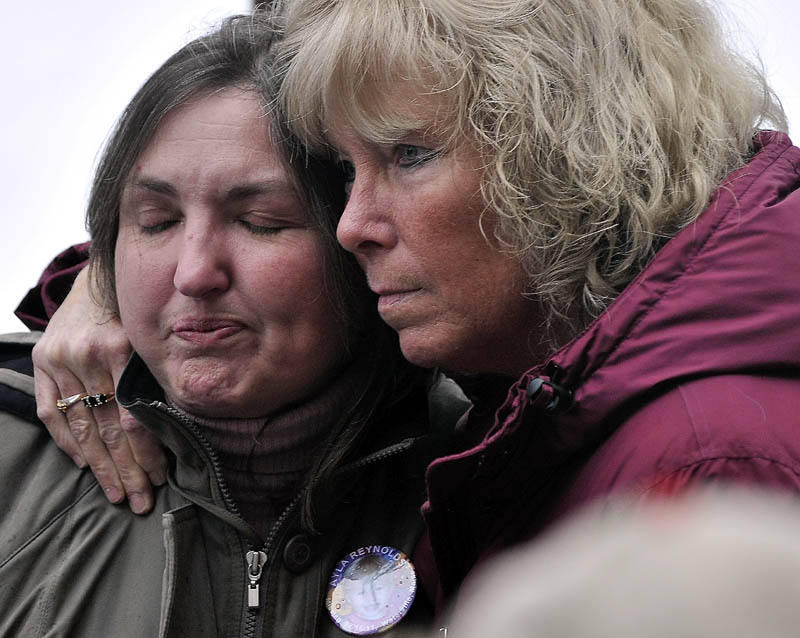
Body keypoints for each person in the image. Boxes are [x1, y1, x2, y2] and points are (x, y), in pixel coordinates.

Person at [21, 0, 800, 616]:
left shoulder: (708, 462)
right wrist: (101, 290)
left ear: (563, 146)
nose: (355, 224)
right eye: (152, 223)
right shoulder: (529, 411)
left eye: (408, 156)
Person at [2, 12, 465, 636]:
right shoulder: (12, 452)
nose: (194, 273)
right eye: (157, 220)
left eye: (261, 222)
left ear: (358, 236)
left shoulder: (483, 464)